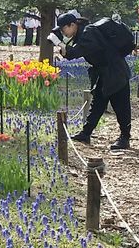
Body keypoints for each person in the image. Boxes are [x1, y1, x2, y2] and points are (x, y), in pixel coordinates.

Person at [54, 11, 134, 150]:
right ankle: (86, 133)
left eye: (63, 29)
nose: (62, 32)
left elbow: (74, 53)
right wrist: (62, 46)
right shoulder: (83, 33)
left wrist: (58, 43)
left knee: (121, 106)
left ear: (72, 25)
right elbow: (72, 53)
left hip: (115, 71)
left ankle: (125, 138)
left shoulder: (88, 33)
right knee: (98, 104)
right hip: (104, 72)